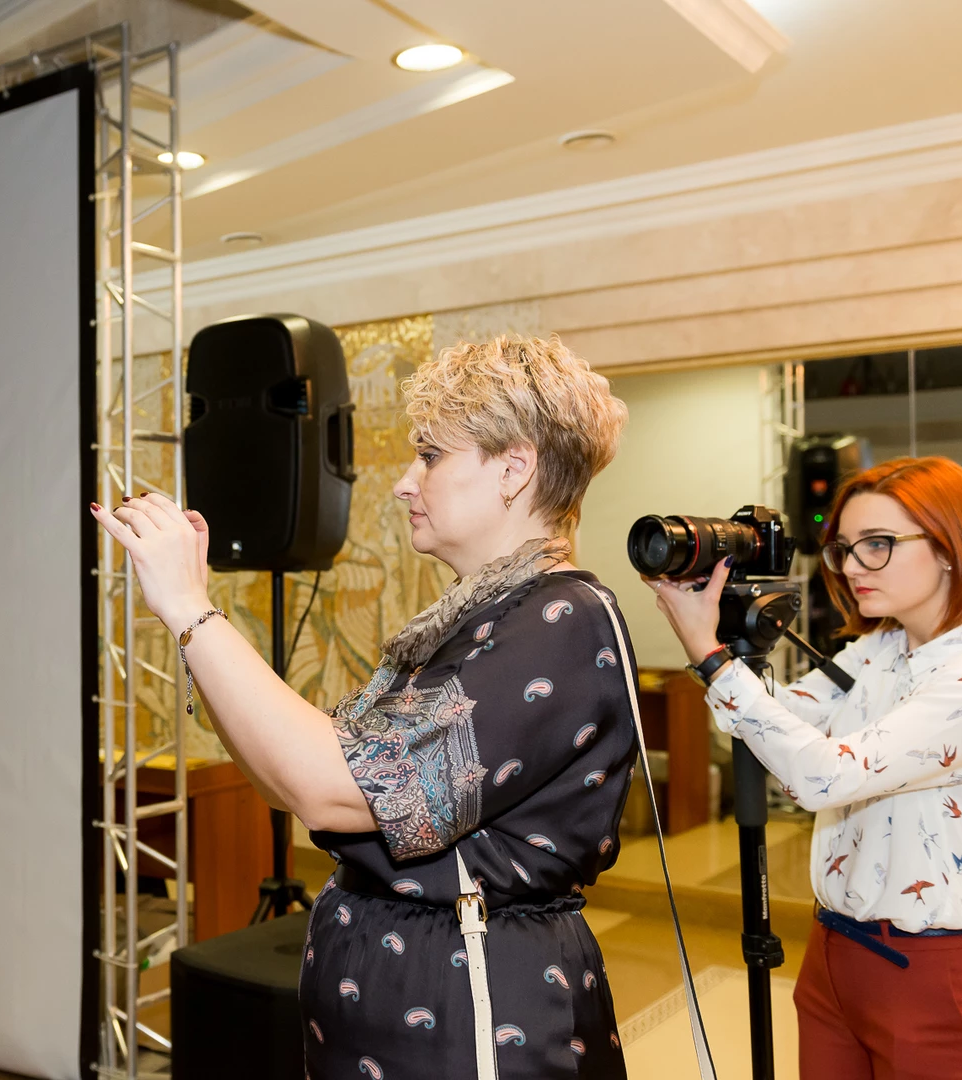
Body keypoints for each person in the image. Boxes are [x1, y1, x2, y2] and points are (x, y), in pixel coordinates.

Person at [93, 336, 641, 1079]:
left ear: (514, 469)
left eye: (430, 456)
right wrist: (195, 625)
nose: (404, 485)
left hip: (475, 1010)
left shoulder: (561, 620)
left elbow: (333, 787)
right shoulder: (473, 620)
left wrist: (192, 611)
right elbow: (290, 780)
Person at [651, 455, 962, 1080]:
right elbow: (780, 719)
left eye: (878, 544)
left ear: (950, 547)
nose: (853, 566)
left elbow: (824, 775)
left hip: (933, 968)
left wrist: (711, 657)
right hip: (836, 948)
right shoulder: (880, 647)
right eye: (843, 548)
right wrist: (723, 641)